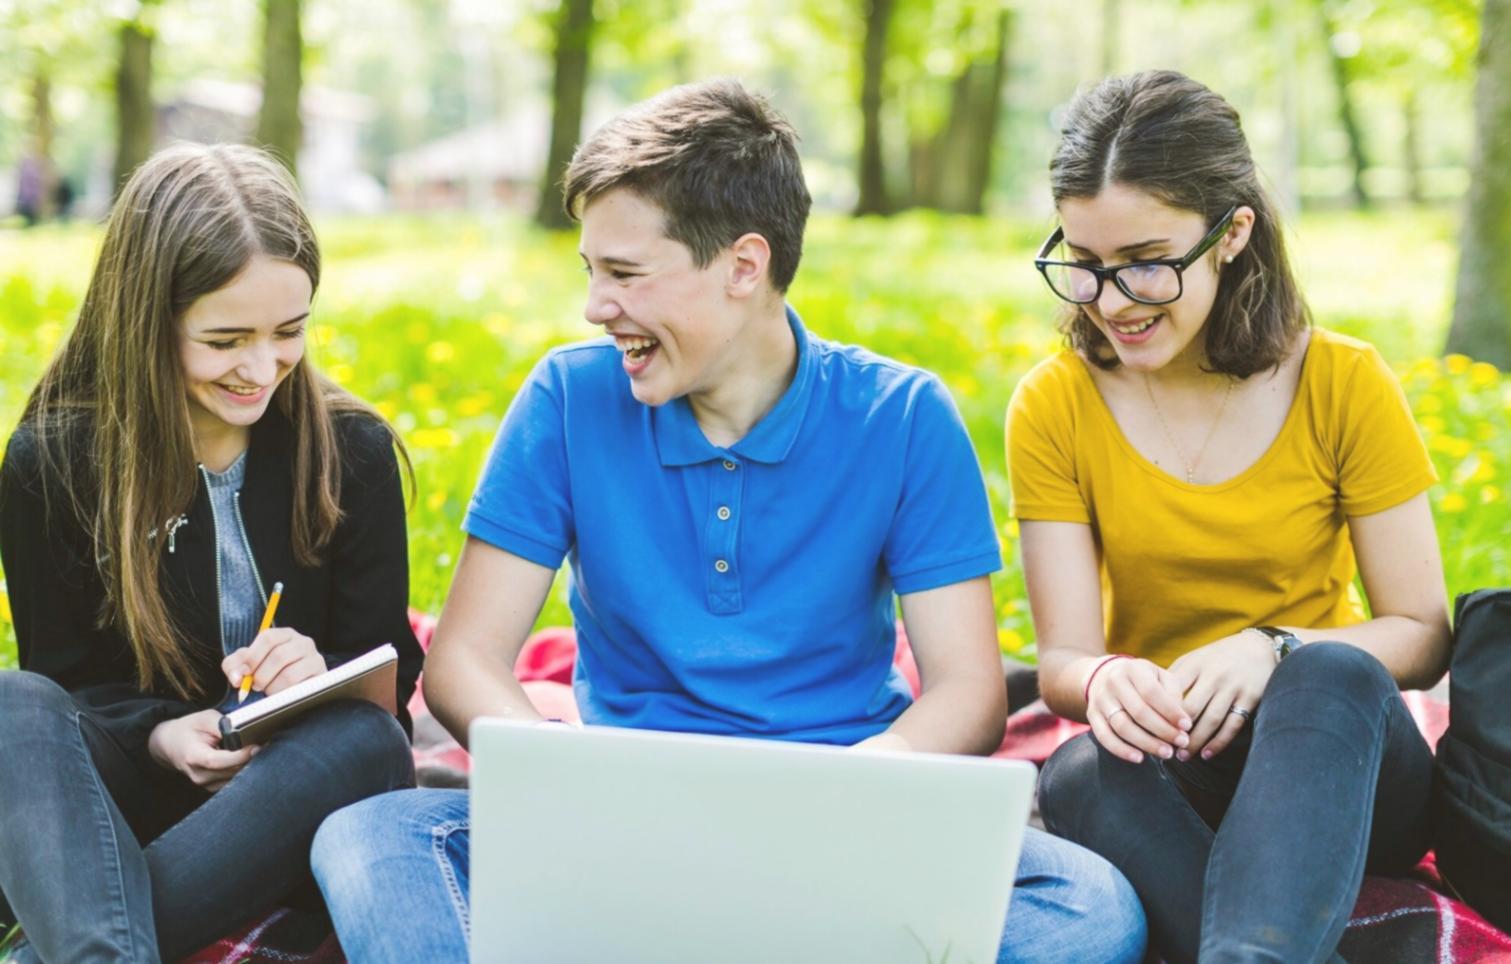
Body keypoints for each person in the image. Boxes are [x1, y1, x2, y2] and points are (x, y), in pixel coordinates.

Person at [310, 79, 1146, 964]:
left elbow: (968, 693)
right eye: (591, 271)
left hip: (842, 818)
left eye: (626, 273)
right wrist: (556, 766)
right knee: (369, 840)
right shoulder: (568, 398)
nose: (597, 305)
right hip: (617, 819)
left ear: (744, 266)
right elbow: (465, 660)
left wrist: (856, 787)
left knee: (1089, 908)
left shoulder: (900, 416)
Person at [1009, 70, 1452, 964]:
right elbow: (1062, 662)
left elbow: (1421, 632)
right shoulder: (1054, 403)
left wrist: (1272, 647)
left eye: (1145, 260)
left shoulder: (1343, 382)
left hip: (1336, 764)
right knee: (1077, 769)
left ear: (1231, 234)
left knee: (1330, 670)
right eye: (1084, 265)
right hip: (1176, 766)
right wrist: (1100, 683)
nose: (1113, 299)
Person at [0, 143, 423, 963]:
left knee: (369, 742)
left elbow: (389, 685)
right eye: (225, 339)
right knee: (13, 705)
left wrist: (316, 669)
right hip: (123, 805)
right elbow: (71, 687)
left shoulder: (350, 451)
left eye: (289, 332)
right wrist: (162, 736)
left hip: (286, 803)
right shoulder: (55, 461)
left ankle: (72, 948)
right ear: (145, 322)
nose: (261, 367)